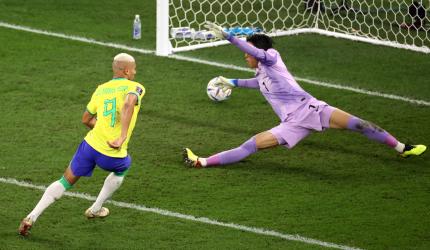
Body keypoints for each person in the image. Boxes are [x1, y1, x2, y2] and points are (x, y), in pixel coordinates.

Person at [183, 22, 426, 168]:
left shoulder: (272, 59)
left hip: (312, 108)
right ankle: (202, 161)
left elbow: (251, 51)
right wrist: (233, 82)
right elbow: (259, 84)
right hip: (291, 123)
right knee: (250, 145)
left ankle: (402, 147)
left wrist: (229, 37)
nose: (245, 56)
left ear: (257, 52)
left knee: (360, 124)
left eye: (248, 53)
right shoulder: (261, 72)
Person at [18, 53, 145, 236]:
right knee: (123, 167)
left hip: (90, 146)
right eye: (134, 68)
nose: (135, 71)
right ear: (126, 70)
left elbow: (86, 119)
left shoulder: (101, 89)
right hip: (112, 151)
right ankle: (96, 208)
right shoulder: (136, 87)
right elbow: (128, 103)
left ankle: (31, 216)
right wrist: (122, 136)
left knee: (64, 181)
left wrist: (101, 126)